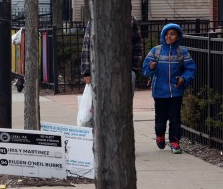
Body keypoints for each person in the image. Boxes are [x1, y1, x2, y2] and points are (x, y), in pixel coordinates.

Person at [142, 23, 196, 154]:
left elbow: (190, 69)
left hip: (176, 91)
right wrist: (151, 67)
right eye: (166, 34)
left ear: (178, 36)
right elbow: (145, 70)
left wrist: (183, 78)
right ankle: (160, 136)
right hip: (159, 92)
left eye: (172, 34)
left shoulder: (182, 52)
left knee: (175, 118)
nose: (169, 36)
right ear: (162, 36)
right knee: (160, 119)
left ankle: (174, 142)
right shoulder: (156, 51)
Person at [81, 16, 143, 94]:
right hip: (100, 69)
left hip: (125, 69)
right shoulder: (95, 19)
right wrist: (87, 72)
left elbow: (137, 44)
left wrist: (134, 68)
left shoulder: (130, 19)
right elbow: (87, 45)